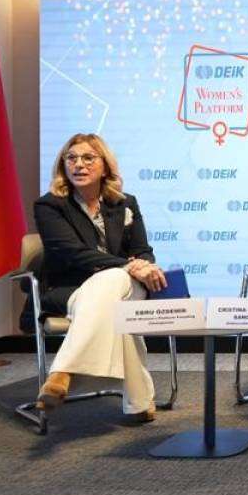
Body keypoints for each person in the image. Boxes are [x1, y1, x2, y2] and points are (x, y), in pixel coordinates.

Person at [32, 133, 167, 422]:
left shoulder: (125, 203)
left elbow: (143, 250)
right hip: (72, 288)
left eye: (88, 158)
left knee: (114, 281)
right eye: (71, 158)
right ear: (63, 165)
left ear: (105, 166)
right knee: (115, 298)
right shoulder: (50, 206)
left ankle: (63, 372)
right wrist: (127, 266)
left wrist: (142, 265)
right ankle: (140, 402)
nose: (79, 165)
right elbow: (73, 253)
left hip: (129, 287)